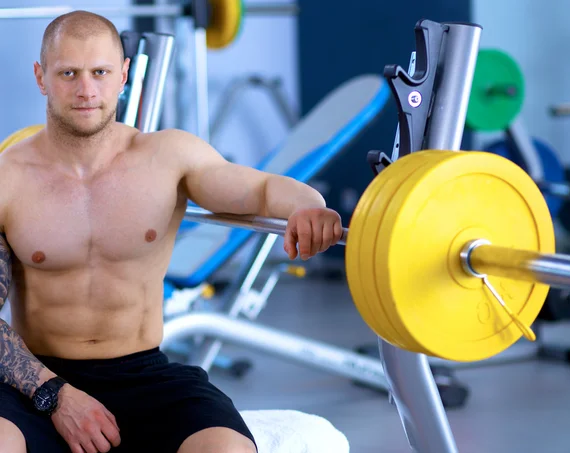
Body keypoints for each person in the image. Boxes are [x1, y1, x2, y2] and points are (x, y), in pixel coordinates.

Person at [0, 10, 344, 453]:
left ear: (123, 74)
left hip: (146, 377)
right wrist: (55, 396)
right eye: (68, 73)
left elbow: (257, 187)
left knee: (225, 449)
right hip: (38, 385)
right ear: (40, 76)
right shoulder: (9, 180)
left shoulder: (167, 157)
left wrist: (309, 206)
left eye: (100, 72)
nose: (86, 90)